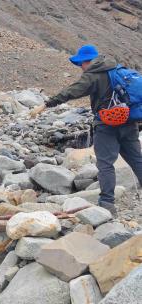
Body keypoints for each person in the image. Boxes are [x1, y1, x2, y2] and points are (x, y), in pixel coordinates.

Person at [31, 45, 142, 214]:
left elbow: (72, 91)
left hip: (107, 125)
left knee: (105, 164)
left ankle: (107, 203)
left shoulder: (93, 75)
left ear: (86, 62)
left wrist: (46, 104)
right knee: (136, 160)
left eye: (80, 63)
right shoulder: (116, 68)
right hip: (129, 121)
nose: (80, 67)